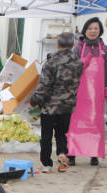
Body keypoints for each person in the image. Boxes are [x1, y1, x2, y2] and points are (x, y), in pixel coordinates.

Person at [30, 32, 83, 173]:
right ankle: (62, 155)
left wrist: (34, 101)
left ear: (58, 44)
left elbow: (44, 86)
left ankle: (46, 164)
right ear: (72, 45)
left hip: (49, 107)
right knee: (62, 134)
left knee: (46, 136)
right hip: (67, 106)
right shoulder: (78, 62)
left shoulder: (51, 61)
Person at [68, 17, 107, 166]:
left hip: (97, 95)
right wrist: (83, 63)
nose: (93, 31)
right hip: (80, 92)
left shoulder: (105, 49)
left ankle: (94, 154)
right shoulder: (78, 48)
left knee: (95, 124)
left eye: (96, 28)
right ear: (85, 30)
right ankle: (72, 153)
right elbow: (72, 69)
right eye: (90, 28)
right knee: (76, 123)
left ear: (100, 30)